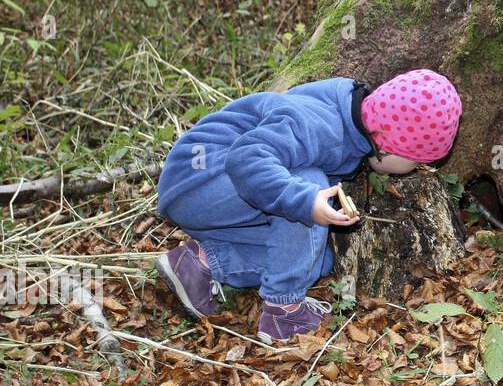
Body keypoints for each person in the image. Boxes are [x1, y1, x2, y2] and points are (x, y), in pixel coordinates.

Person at [154, 69, 461, 342]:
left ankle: (201, 263)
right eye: (416, 161)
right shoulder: (320, 124)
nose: (416, 168)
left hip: (225, 194)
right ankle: (283, 311)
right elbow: (244, 158)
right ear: (387, 142)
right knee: (311, 185)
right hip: (198, 178)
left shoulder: (351, 119)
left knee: (317, 259)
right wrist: (306, 199)